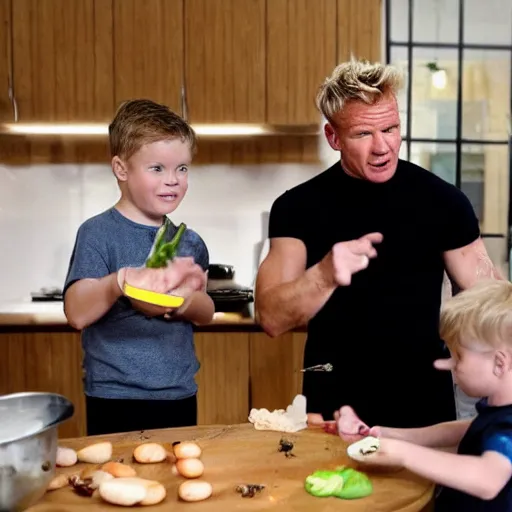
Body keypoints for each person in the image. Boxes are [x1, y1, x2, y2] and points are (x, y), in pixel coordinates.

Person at [255, 58, 502, 429]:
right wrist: (324, 275)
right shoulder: (297, 207)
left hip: (423, 405)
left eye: (391, 128)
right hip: (333, 405)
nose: (382, 146)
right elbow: (270, 317)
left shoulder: (444, 202)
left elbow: (492, 300)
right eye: (363, 134)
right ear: (334, 137)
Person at [63, 99, 214, 436]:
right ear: (121, 169)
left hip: (178, 393)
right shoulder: (97, 232)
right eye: (157, 168)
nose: (173, 180)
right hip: (114, 396)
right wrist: (121, 282)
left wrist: (183, 298)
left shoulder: (188, 241)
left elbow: (206, 313)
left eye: (182, 169)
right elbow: (76, 313)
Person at [337, 280, 512, 510]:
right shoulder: (496, 412)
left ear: (499, 363)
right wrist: (385, 434)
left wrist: (404, 454)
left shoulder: (507, 427)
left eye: (458, 356)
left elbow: (487, 479)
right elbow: (461, 430)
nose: (448, 365)